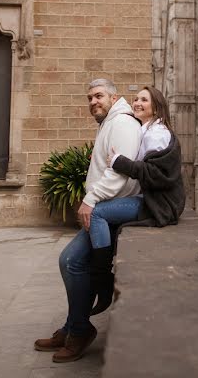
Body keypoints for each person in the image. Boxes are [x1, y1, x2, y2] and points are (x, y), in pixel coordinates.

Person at [33, 78, 140, 363]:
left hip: (109, 209)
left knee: (72, 261)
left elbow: (120, 173)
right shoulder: (109, 123)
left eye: (99, 96)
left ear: (114, 97)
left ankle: (79, 330)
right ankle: (74, 326)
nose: (93, 102)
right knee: (71, 262)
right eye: (90, 98)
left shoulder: (123, 124)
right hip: (104, 208)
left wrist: (91, 200)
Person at [86, 85, 185, 314]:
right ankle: (102, 279)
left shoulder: (158, 133)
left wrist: (119, 161)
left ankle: (103, 280)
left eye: (144, 100)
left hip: (160, 205)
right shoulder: (144, 130)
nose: (137, 103)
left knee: (97, 212)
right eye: (136, 99)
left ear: (156, 108)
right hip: (151, 200)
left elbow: (157, 175)